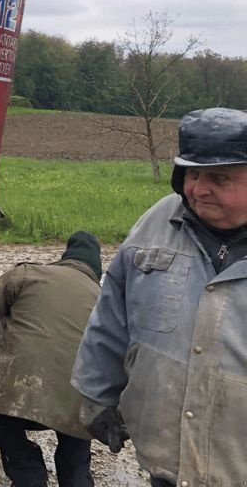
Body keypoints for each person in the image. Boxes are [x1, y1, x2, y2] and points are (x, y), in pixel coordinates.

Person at [72, 107, 247, 487]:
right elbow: (112, 315)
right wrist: (97, 396)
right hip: (167, 457)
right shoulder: (158, 222)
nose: (199, 189)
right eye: (192, 173)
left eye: (219, 178)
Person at [0, 231, 103, 487]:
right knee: (77, 451)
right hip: (74, 404)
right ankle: (76, 477)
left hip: (10, 393)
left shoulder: (28, 274)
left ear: (65, 257)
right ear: (96, 269)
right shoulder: (107, 302)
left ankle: (27, 470)